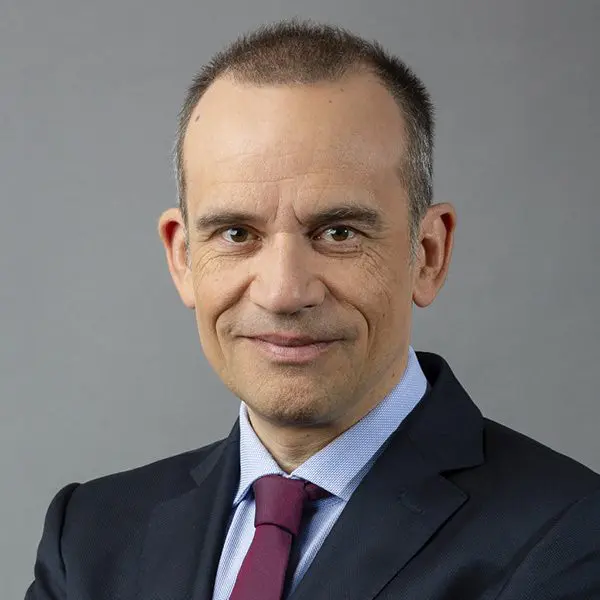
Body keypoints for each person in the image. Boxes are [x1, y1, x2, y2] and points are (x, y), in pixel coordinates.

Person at [25, 19, 600, 600]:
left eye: (339, 232)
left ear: (427, 254)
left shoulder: (571, 539)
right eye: (236, 234)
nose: (283, 292)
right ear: (182, 257)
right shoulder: (90, 538)